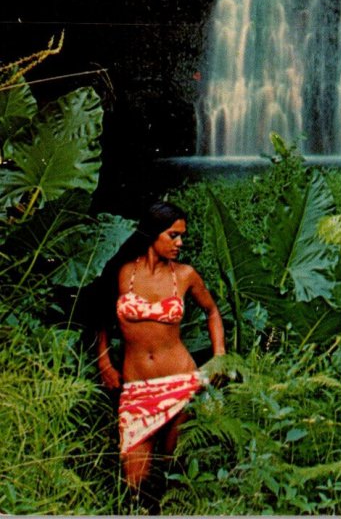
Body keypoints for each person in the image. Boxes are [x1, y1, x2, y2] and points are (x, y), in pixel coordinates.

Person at [95, 200, 225, 490]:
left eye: (182, 236)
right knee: (135, 481)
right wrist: (104, 362)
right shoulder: (123, 272)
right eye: (173, 235)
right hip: (137, 389)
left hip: (181, 383)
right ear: (153, 234)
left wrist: (219, 356)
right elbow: (101, 319)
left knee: (170, 471)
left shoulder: (185, 275)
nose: (179, 243)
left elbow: (212, 312)